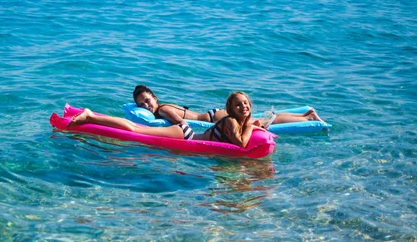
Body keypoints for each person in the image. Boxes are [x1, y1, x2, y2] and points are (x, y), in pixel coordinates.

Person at [69, 92, 264, 148]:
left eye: (246, 103)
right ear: (231, 108)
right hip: (186, 136)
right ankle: (91, 115)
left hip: (188, 133)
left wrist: (252, 124)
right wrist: (249, 125)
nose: (243, 107)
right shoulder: (231, 121)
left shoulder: (238, 122)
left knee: (137, 129)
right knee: (136, 130)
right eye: (239, 104)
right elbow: (242, 143)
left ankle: (92, 116)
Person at [132, 85, 325, 127]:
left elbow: (181, 123)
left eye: (148, 101)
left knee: (259, 123)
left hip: (213, 118)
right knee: (256, 119)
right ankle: (303, 114)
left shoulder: (163, 109)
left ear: (155, 99)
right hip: (213, 114)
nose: (146, 106)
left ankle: (307, 117)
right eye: (142, 104)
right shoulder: (162, 105)